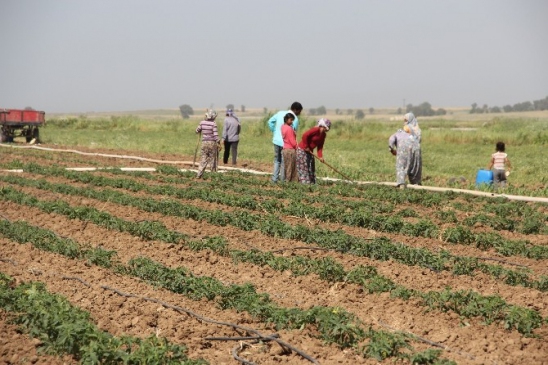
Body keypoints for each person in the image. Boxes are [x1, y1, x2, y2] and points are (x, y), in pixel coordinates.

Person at [268, 102, 303, 183]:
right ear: (295, 110)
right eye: (299, 111)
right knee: (284, 162)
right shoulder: (294, 118)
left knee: (277, 160)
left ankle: (274, 179)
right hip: (286, 144)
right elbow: (293, 133)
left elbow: (270, 122)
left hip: (276, 141)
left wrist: (275, 131)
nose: (299, 114)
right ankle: (283, 180)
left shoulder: (280, 113)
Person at [296, 118, 331, 184]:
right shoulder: (316, 129)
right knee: (304, 167)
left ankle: (311, 183)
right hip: (302, 150)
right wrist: (306, 146)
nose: (328, 128)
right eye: (328, 126)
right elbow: (305, 135)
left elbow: (320, 147)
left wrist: (320, 156)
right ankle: (305, 183)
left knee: (310, 167)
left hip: (310, 151)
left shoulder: (323, 135)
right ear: (324, 126)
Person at [388, 123, 422, 188]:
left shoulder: (397, 134)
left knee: (401, 167)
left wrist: (392, 150)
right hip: (416, 151)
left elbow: (391, 140)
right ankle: (417, 186)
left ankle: (402, 185)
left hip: (402, 152)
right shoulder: (414, 135)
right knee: (414, 168)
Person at [195, 109, 221, 179]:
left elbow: (197, 131)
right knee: (213, 160)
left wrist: (200, 128)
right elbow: (215, 136)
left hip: (204, 143)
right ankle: (213, 176)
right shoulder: (213, 124)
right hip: (212, 143)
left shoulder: (202, 122)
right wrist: (219, 143)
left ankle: (199, 175)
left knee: (203, 159)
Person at [281, 113, 298, 182]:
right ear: (286, 119)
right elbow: (292, 141)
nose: (292, 121)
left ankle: (286, 181)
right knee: (291, 168)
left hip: (285, 149)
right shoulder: (289, 129)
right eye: (291, 120)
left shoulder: (283, 127)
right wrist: (297, 148)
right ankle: (290, 182)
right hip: (290, 150)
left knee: (287, 167)